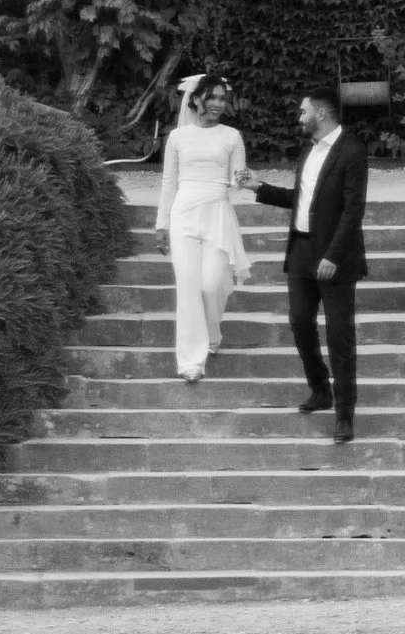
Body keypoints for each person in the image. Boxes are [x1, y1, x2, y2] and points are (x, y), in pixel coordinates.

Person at [254, 81, 367, 445]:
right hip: (301, 251)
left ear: (321, 113)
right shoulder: (309, 152)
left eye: (303, 111)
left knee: (339, 335)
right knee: (300, 323)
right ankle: (320, 389)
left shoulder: (352, 151)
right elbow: (301, 201)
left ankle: (344, 415)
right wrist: (259, 188)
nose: (298, 117)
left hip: (334, 256)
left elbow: (353, 212)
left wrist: (333, 256)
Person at [153, 71, 252, 381]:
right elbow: (169, 181)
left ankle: (212, 330)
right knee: (188, 287)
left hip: (218, 214)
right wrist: (161, 223)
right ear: (196, 99)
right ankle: (191, 363)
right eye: (213, 97)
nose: (218, 104)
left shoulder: (231, 136)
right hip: (183, 215)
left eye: (223, 99)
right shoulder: (177, 138)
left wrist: (243, 180)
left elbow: (237, 180)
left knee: (212, 284)